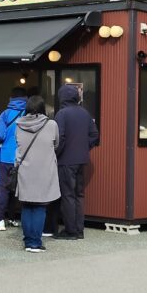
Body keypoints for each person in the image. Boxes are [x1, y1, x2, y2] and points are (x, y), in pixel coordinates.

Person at [12, 95, 60, 253]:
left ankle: (27, 242)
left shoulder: (19, 125)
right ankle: (36, 243)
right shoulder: (51, 124)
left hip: (25, 170)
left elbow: (18, 145)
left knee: (27, 206)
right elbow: (56, 143)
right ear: (42, 108)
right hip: (44, 171)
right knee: (40, 207)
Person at [52, 83, 99, 240]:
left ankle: (70, 231)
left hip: (66, 160)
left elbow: (60, 138)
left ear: (62, 97)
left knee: (68, 195)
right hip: (82, 159)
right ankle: (79, 229)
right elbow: (94, 136)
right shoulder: (85, 113)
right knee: (79, 195)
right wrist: (84, 148)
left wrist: (57, 154)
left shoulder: (62, 114)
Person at [0, 87, 28, 231]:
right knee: (17, 189)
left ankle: (0, 221)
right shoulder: (28, 114)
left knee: (4, 188)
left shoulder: (5, 114)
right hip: (23, 157)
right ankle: (13, 218)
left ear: (11, 98)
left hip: (6, 157)